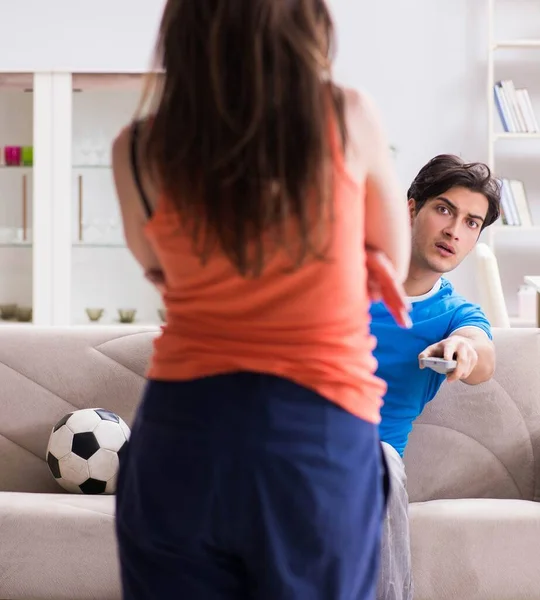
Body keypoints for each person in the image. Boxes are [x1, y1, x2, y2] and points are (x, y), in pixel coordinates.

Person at [111, 1, 412, 599]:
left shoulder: (138, 148)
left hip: (181, 432)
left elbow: (158, 269)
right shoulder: (348, 116)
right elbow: (393, 266)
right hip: (315, 437)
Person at [371, 154, 501, 600]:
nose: (454, 230)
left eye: (471, 223)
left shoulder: (455, 315)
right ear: (412, 209)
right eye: (444, 209)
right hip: (289, 446)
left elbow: (482, 356)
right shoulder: (338, 277)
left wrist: (464, 349)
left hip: (368, 465)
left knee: (382, 463)